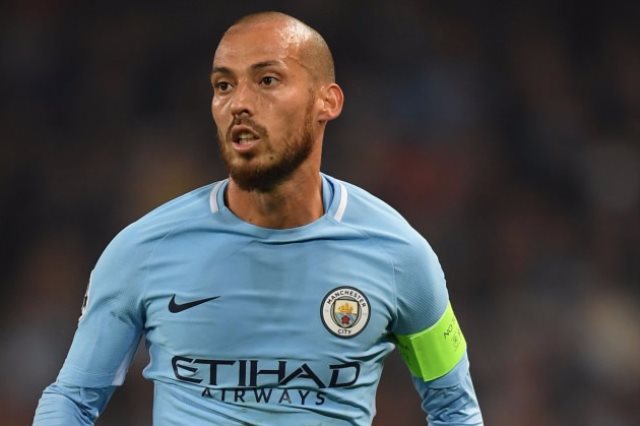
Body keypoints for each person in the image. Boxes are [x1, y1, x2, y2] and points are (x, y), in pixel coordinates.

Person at [33, 11, 483, 425]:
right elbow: (72, 398)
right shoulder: (142, 251)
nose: (239, 103)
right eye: (223, 86)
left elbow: (454, 407)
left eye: (267, 80)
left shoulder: (400, 255)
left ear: (327, 101)